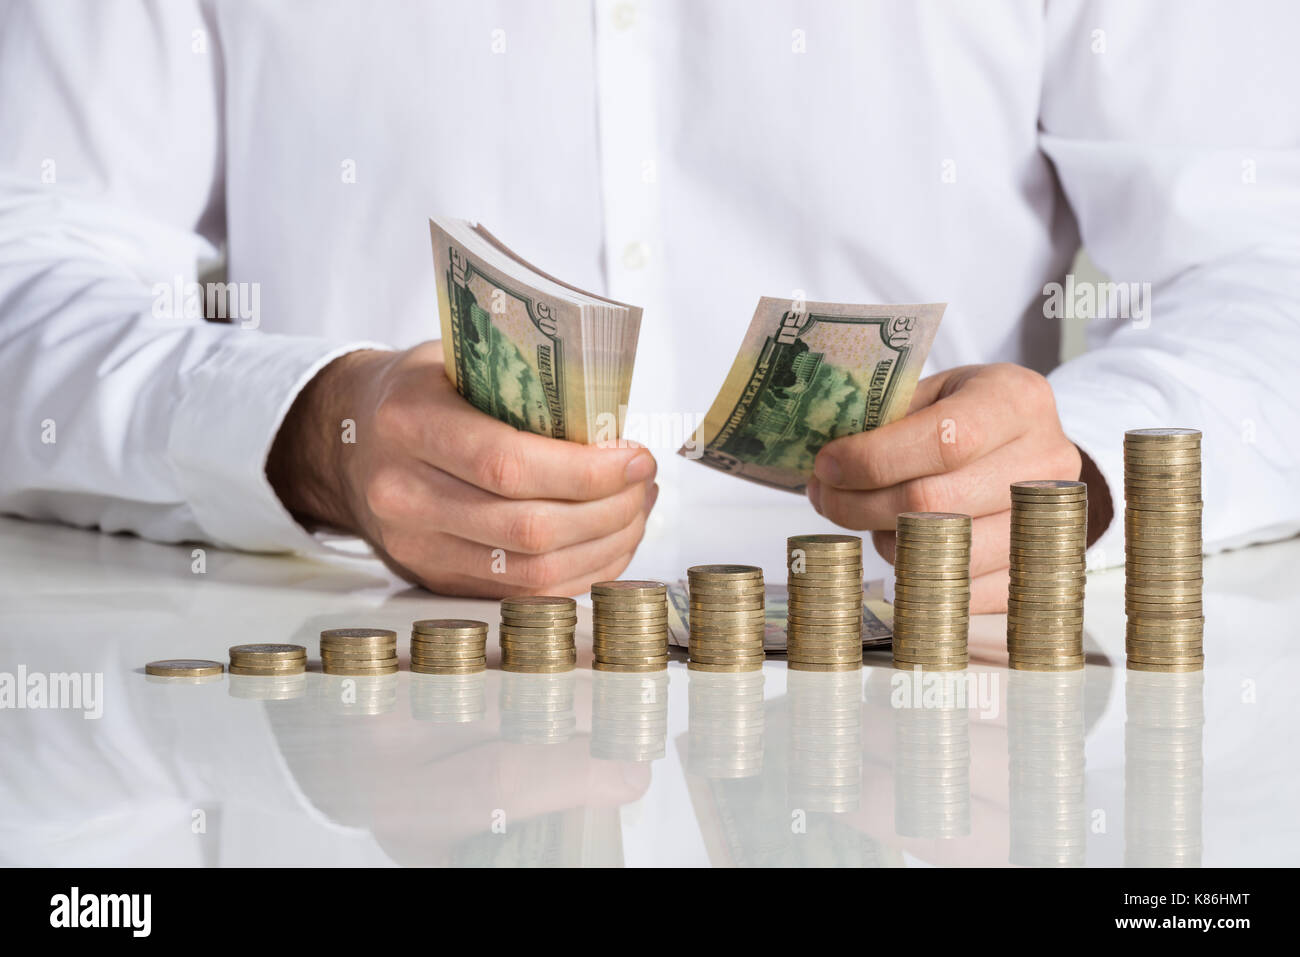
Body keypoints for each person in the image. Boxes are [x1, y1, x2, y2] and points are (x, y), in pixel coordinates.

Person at [1, 0, 1297, 611]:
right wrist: (305, 434)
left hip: (938, 716)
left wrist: (1079, 471)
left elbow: (1269, 264)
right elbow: (25, 264)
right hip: (336, 715)